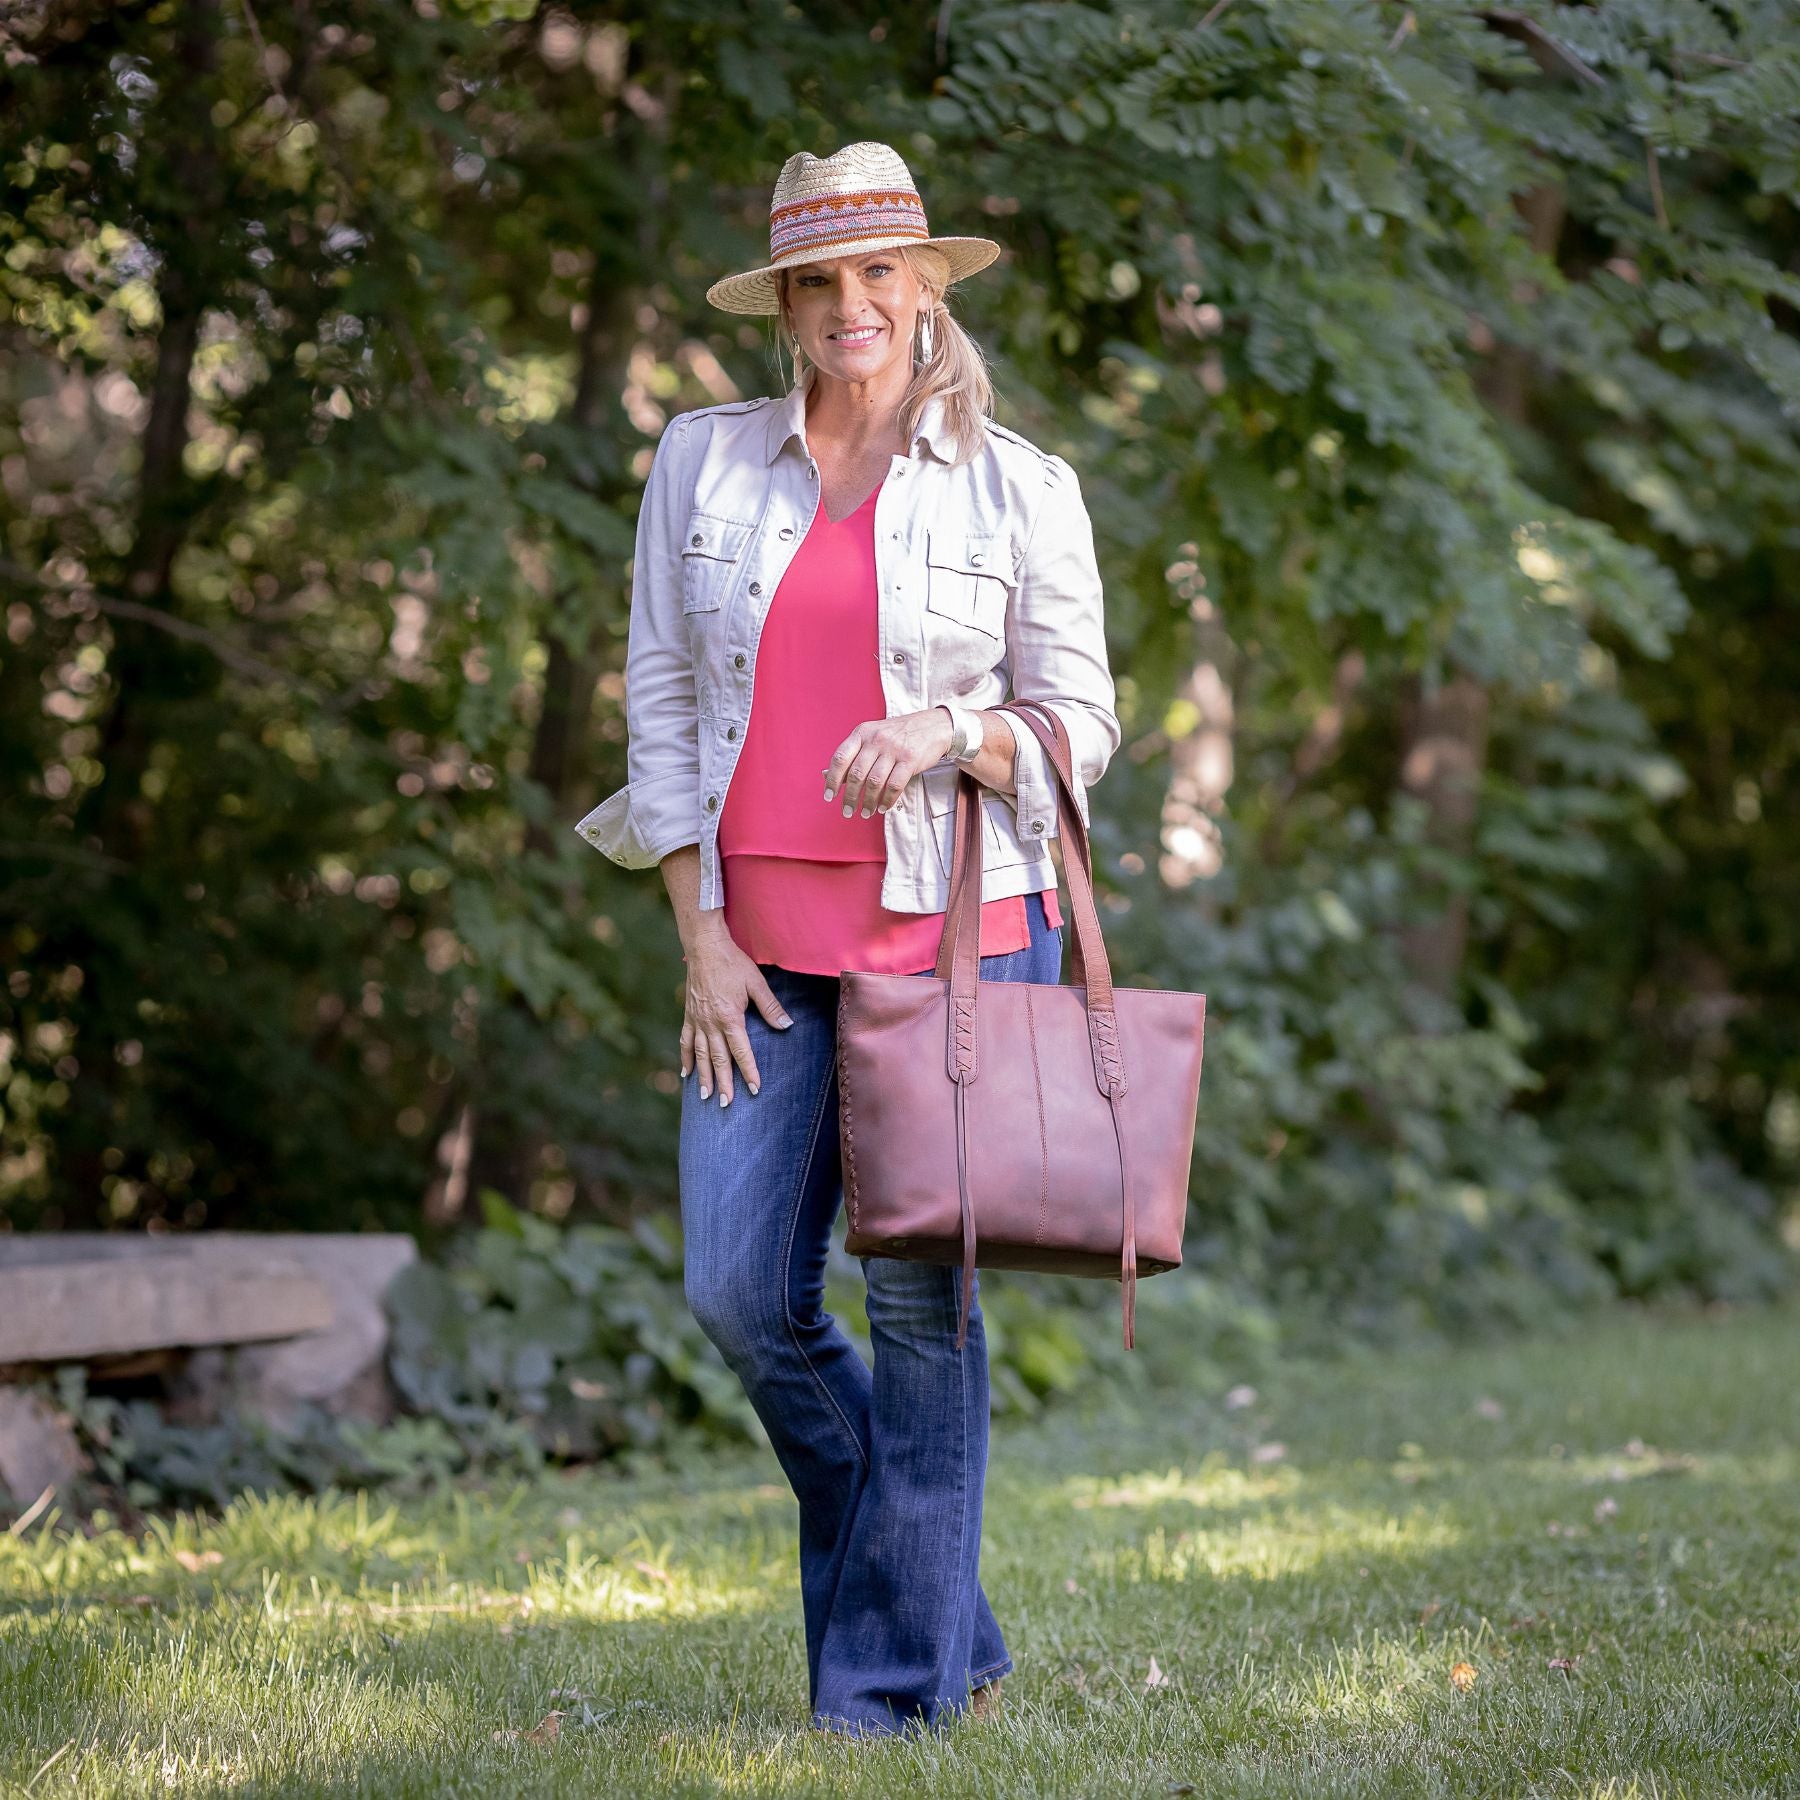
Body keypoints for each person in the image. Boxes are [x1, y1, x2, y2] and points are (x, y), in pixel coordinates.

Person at [575, 140, 1121, 1737]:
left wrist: (950, 729)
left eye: (879, 272)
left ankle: (887, 1694)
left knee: (916, 1309)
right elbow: (665, 697)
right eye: (818, 281)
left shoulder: (1022, 485)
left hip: (950, 941)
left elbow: (1082, 726)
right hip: (756, 942)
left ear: (928, 285)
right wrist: (699, 933)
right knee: (740, 1290)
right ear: (788, 304)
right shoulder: (704, 461)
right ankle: (948, 1599)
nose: (848, 306)